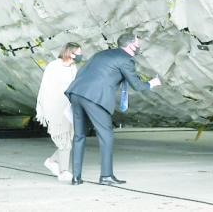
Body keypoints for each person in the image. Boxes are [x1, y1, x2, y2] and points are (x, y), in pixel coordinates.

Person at [64, 33, 161, 186]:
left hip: (76, 92)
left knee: (79, 135)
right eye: (137, 43)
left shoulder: (101, 53)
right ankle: (106, 176)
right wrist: (152, 83)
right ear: (131, 46)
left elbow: (82, 72)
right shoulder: (126, 59)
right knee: (106, 135)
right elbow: (137, 85)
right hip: (94, 97)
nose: (138, 46)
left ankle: (76, 177)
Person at [35, 42, 82, 183]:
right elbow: (47, 89)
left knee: (69, 138)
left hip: (69, 106)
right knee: (63, 138)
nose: (80, 55)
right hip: (56, 105)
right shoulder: (54, 66)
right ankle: (64, 171)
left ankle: (52, 160)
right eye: (78, 52)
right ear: (70, 52)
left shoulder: (74, 67)